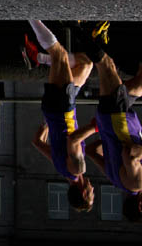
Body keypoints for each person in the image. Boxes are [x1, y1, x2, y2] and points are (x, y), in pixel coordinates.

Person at [84, 31, 142, 225]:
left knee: (105, 64)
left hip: (117, 117)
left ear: (140, 207)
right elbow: (91, 151)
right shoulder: (116, 180)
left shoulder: (138, 183)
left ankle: (78, 28)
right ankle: (101, 38)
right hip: (115, 117)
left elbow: (130, 154)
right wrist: (108, 138)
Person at [26, 20, 96, 211]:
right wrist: (48, 126)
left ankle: (29, 14)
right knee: (86, 64)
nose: (93, 190)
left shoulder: (77, 169)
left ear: (83, 192)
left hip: (63, 110)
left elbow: (73, 140)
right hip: (53, 110)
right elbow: (37, 142)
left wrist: (95, 127)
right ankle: (38, 59)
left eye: (91, 194)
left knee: (60, 55)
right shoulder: (62, 169)